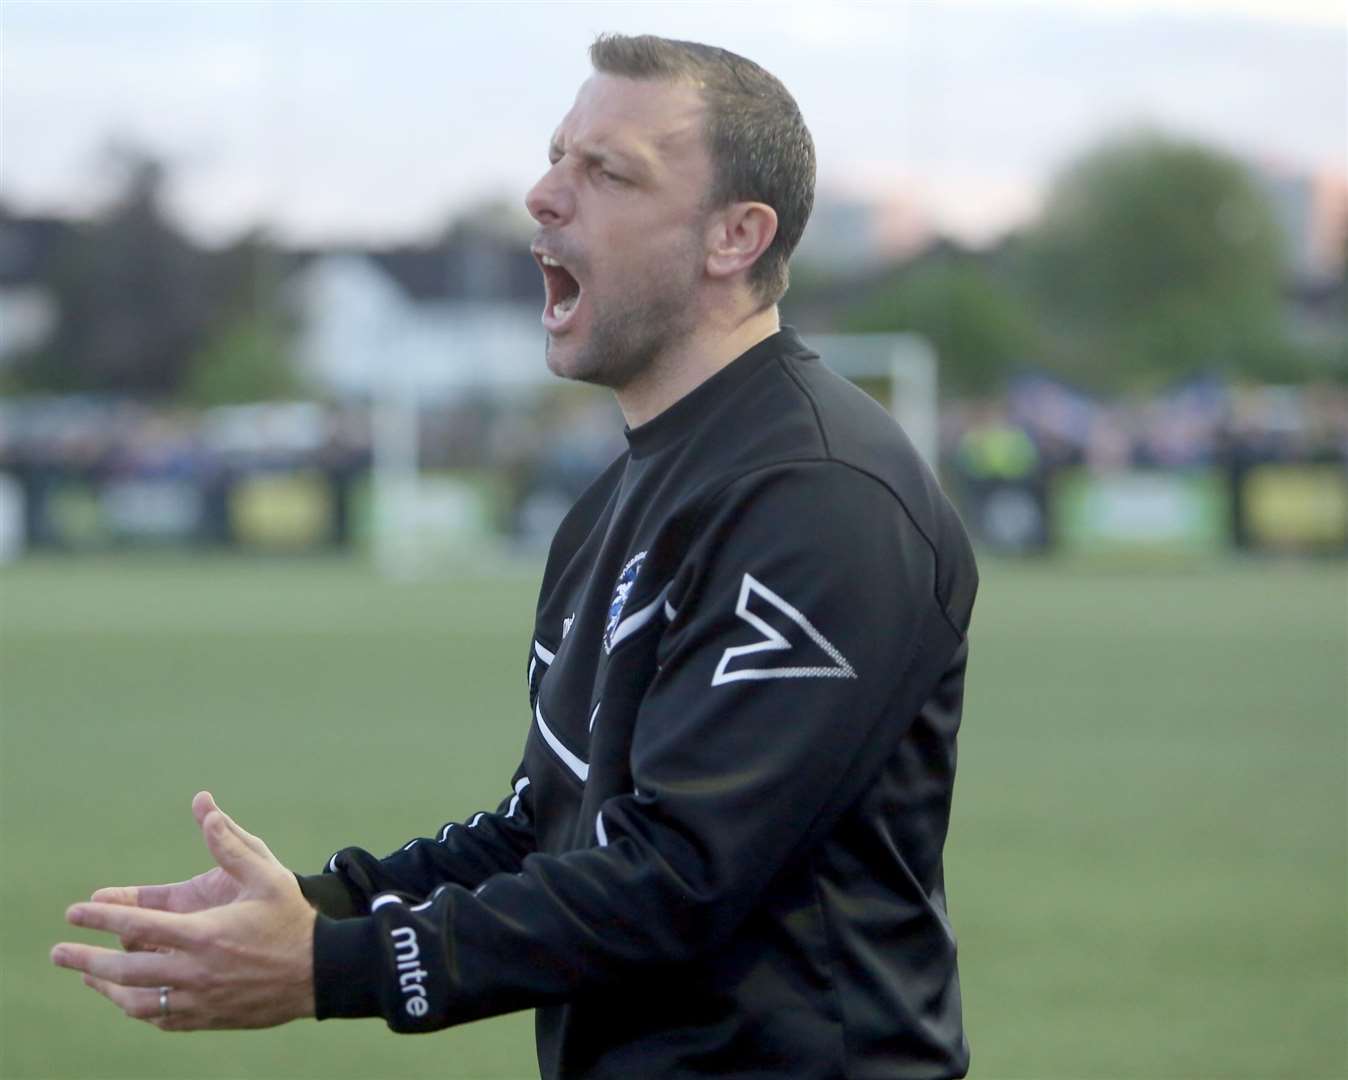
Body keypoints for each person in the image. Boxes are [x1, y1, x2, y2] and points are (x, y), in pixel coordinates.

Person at [51, 34, 978, 1080]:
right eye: (555, 157)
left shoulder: (817, 494)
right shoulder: (620, 495)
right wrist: (317, 905)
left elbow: (676, 879)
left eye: (606, 171)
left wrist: (330, 967)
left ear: (735, 235)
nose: (542, 195)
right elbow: (554, 824)